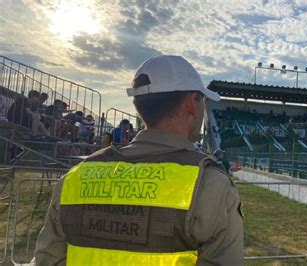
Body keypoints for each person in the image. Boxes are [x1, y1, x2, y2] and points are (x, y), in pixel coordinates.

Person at [34, 55, 244, 265]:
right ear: (191, 103)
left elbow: (48, 259)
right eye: (202, 101)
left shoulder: (76, 176)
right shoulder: (212, 184)